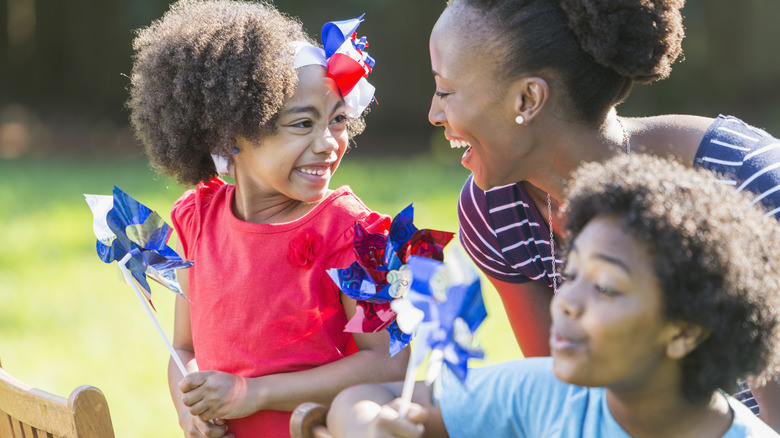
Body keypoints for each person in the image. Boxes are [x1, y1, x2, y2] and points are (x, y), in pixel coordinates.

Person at [427, 0, 780, 423]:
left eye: (445, 91)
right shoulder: (493, 212)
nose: (433, 113)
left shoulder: (745, 181)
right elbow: (564, 400)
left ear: (527, 98)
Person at [325, 154, 780, 438]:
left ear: (683, 331)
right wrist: (368, 427)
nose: (565, 301)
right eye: (572, 273)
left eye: (604, 286)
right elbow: (368, 397)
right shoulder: (545, 395)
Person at [126, 1, 408, 437]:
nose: (328, 143)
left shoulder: (354, 231)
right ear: (231, 135)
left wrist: (252, 394)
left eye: (337, 120)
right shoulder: (197, 219)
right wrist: (190, 410)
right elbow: (183, 348)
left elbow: (390, 361)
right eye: (302, 124)